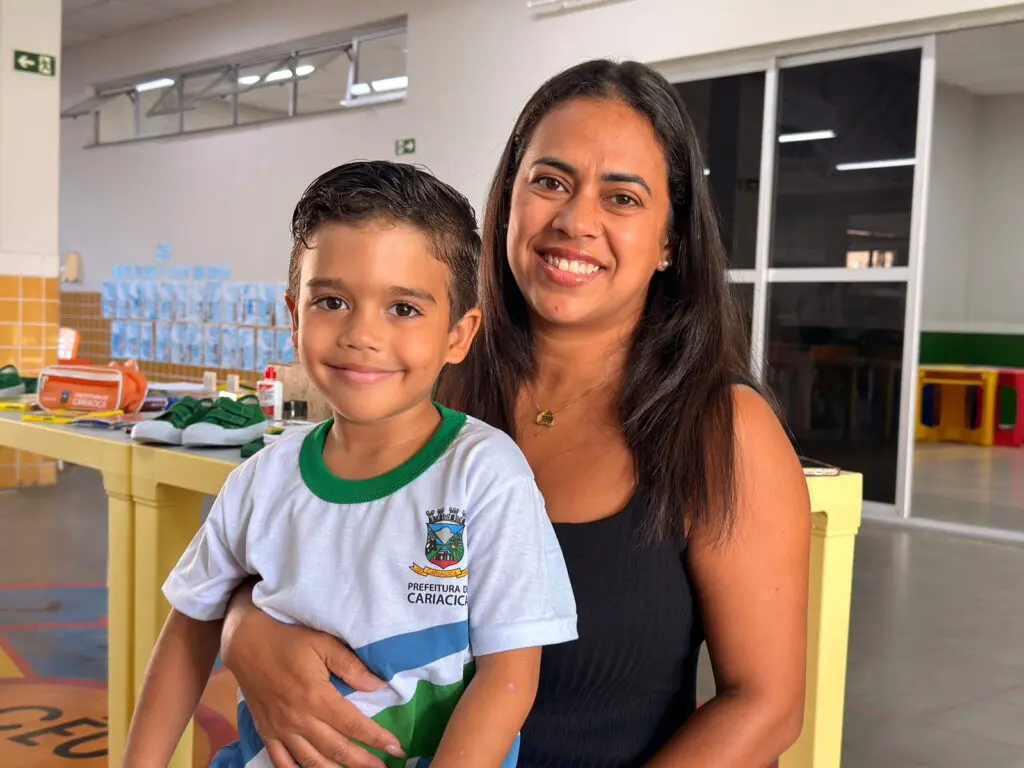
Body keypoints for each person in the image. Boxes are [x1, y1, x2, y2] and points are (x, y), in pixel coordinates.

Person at [219, 59, 812, 768]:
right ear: (506, 201)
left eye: (621, 198)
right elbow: (281, 557)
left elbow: (765, 707)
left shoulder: (723, 431)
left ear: (668, 243)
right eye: (550, 182)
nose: (574, 220)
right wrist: (243, 633)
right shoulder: (429, 386)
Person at [121, 161, 579, 768]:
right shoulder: (259, 480)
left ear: (459, 334)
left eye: (404, 309)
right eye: (332, 301)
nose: (362, 334)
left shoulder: (485, 475)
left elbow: (510, 680)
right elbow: (188, 631)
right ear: (293, 316)